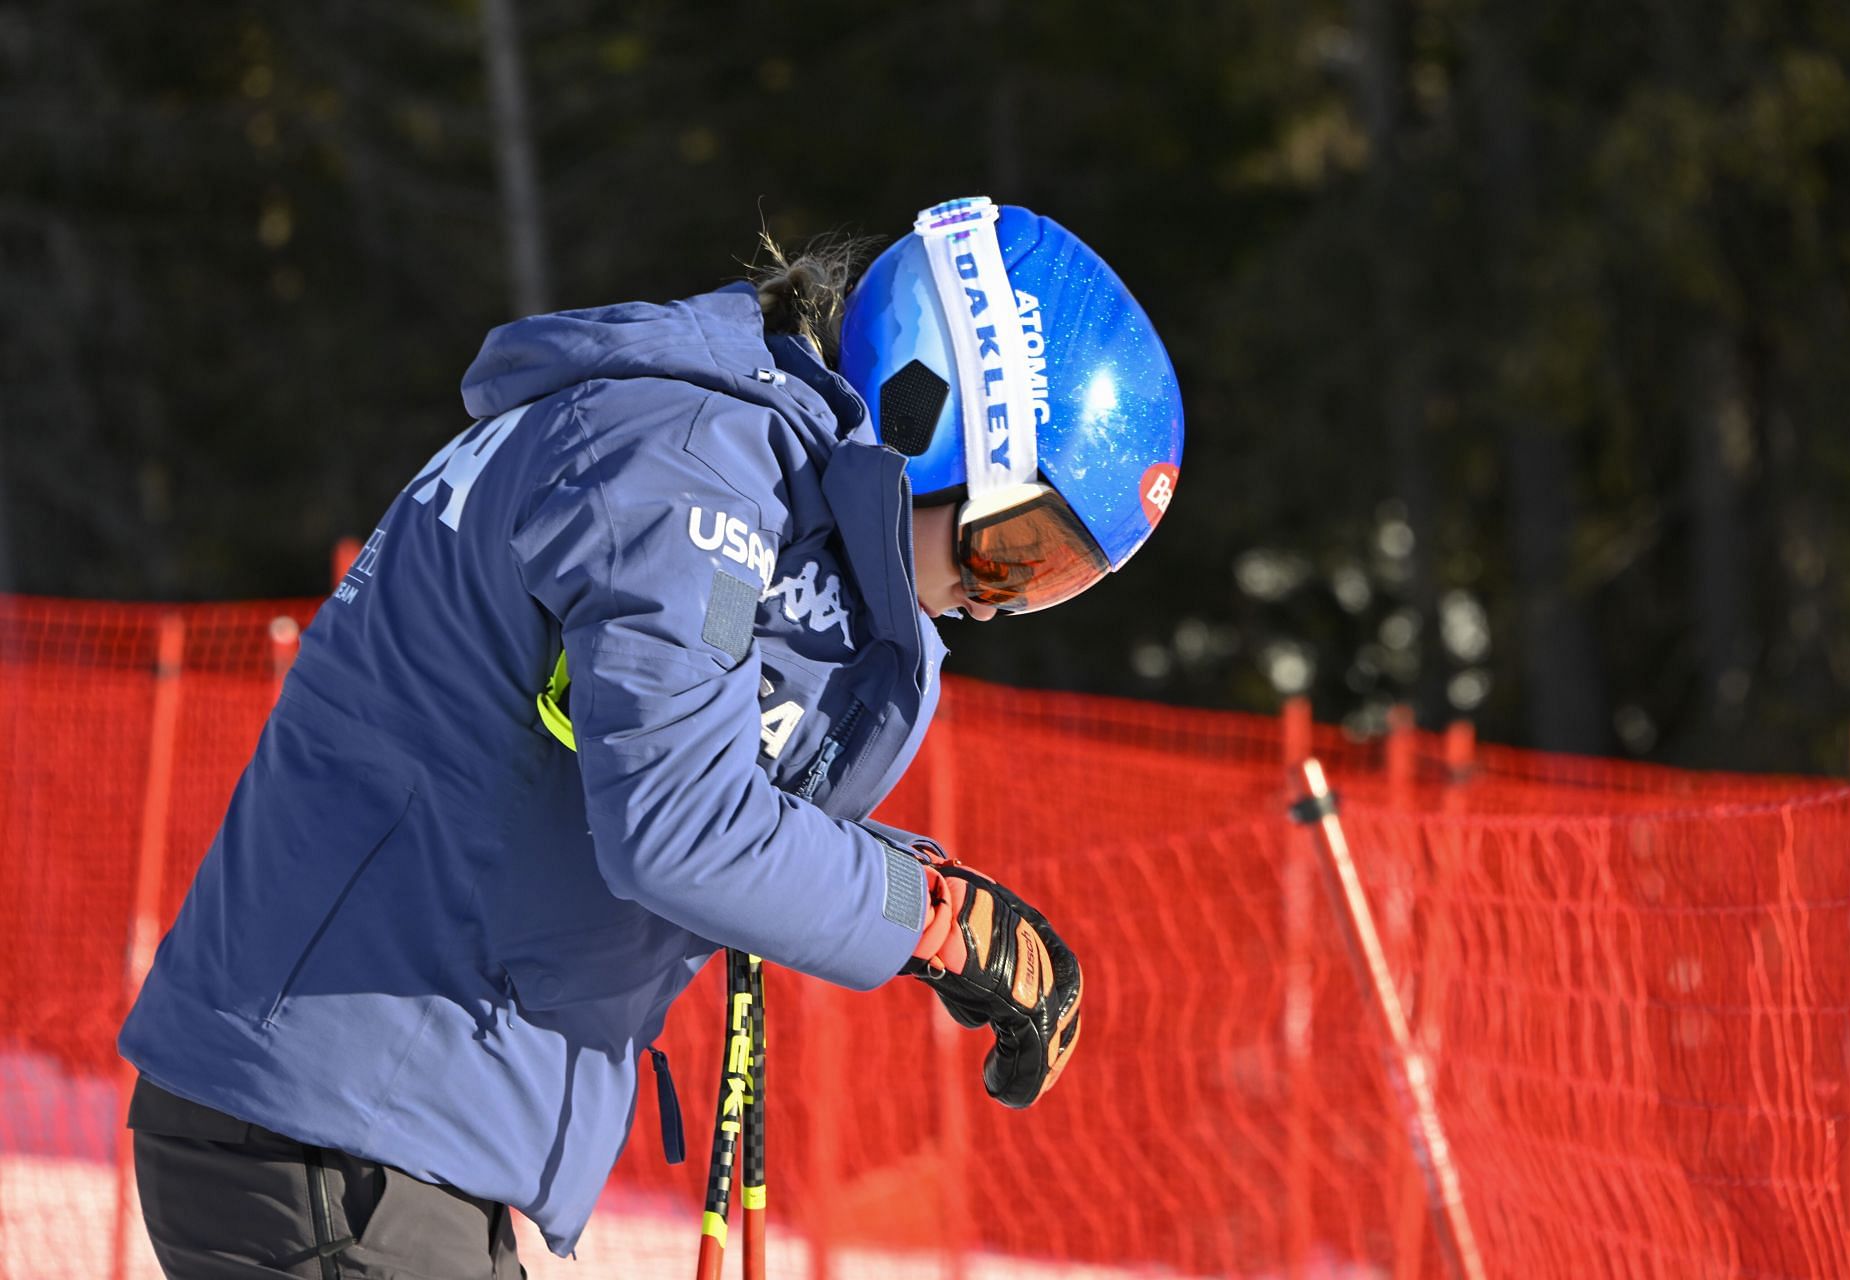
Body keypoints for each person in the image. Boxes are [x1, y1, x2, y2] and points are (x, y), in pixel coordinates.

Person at [118, 196, 1184, 1276]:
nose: (997, 604)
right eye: (1016, 550)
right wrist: (932, 918)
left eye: (1053, 585)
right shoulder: (683, 465)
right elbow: (680, 828)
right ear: (927, 406)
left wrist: (920, 892)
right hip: (335, 1129)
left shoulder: (723, 465)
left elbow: (692, 779)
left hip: (368, 1127)